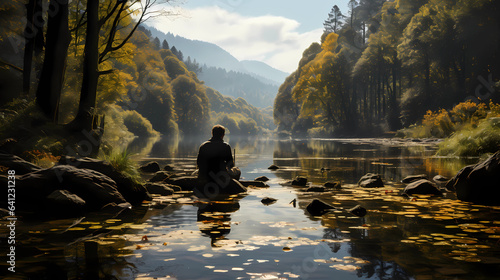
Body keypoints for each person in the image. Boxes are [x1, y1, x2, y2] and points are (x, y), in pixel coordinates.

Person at [196, 125, 244, 195]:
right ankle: (230, 187)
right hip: (220, 177)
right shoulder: (226, 146)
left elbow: (198, 163)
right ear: (223, 135)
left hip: (205, 176)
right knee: (237, 170)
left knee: (196, 171)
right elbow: (230, 165)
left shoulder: (203, 145)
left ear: (212, 133)